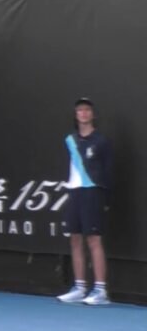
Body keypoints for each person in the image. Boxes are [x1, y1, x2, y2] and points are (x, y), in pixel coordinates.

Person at [57, 97, 112, 306]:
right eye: (80, 110)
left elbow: (108, 172)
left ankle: (100, 290)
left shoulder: (101, 141)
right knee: (75, 238)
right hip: (75, 193)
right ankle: (79, 287)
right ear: (76, 115)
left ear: (93, 114)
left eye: (87, 110)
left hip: (93, 193)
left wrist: (106, 196)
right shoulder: (70, 140)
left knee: (94, 240)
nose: (83, 113)